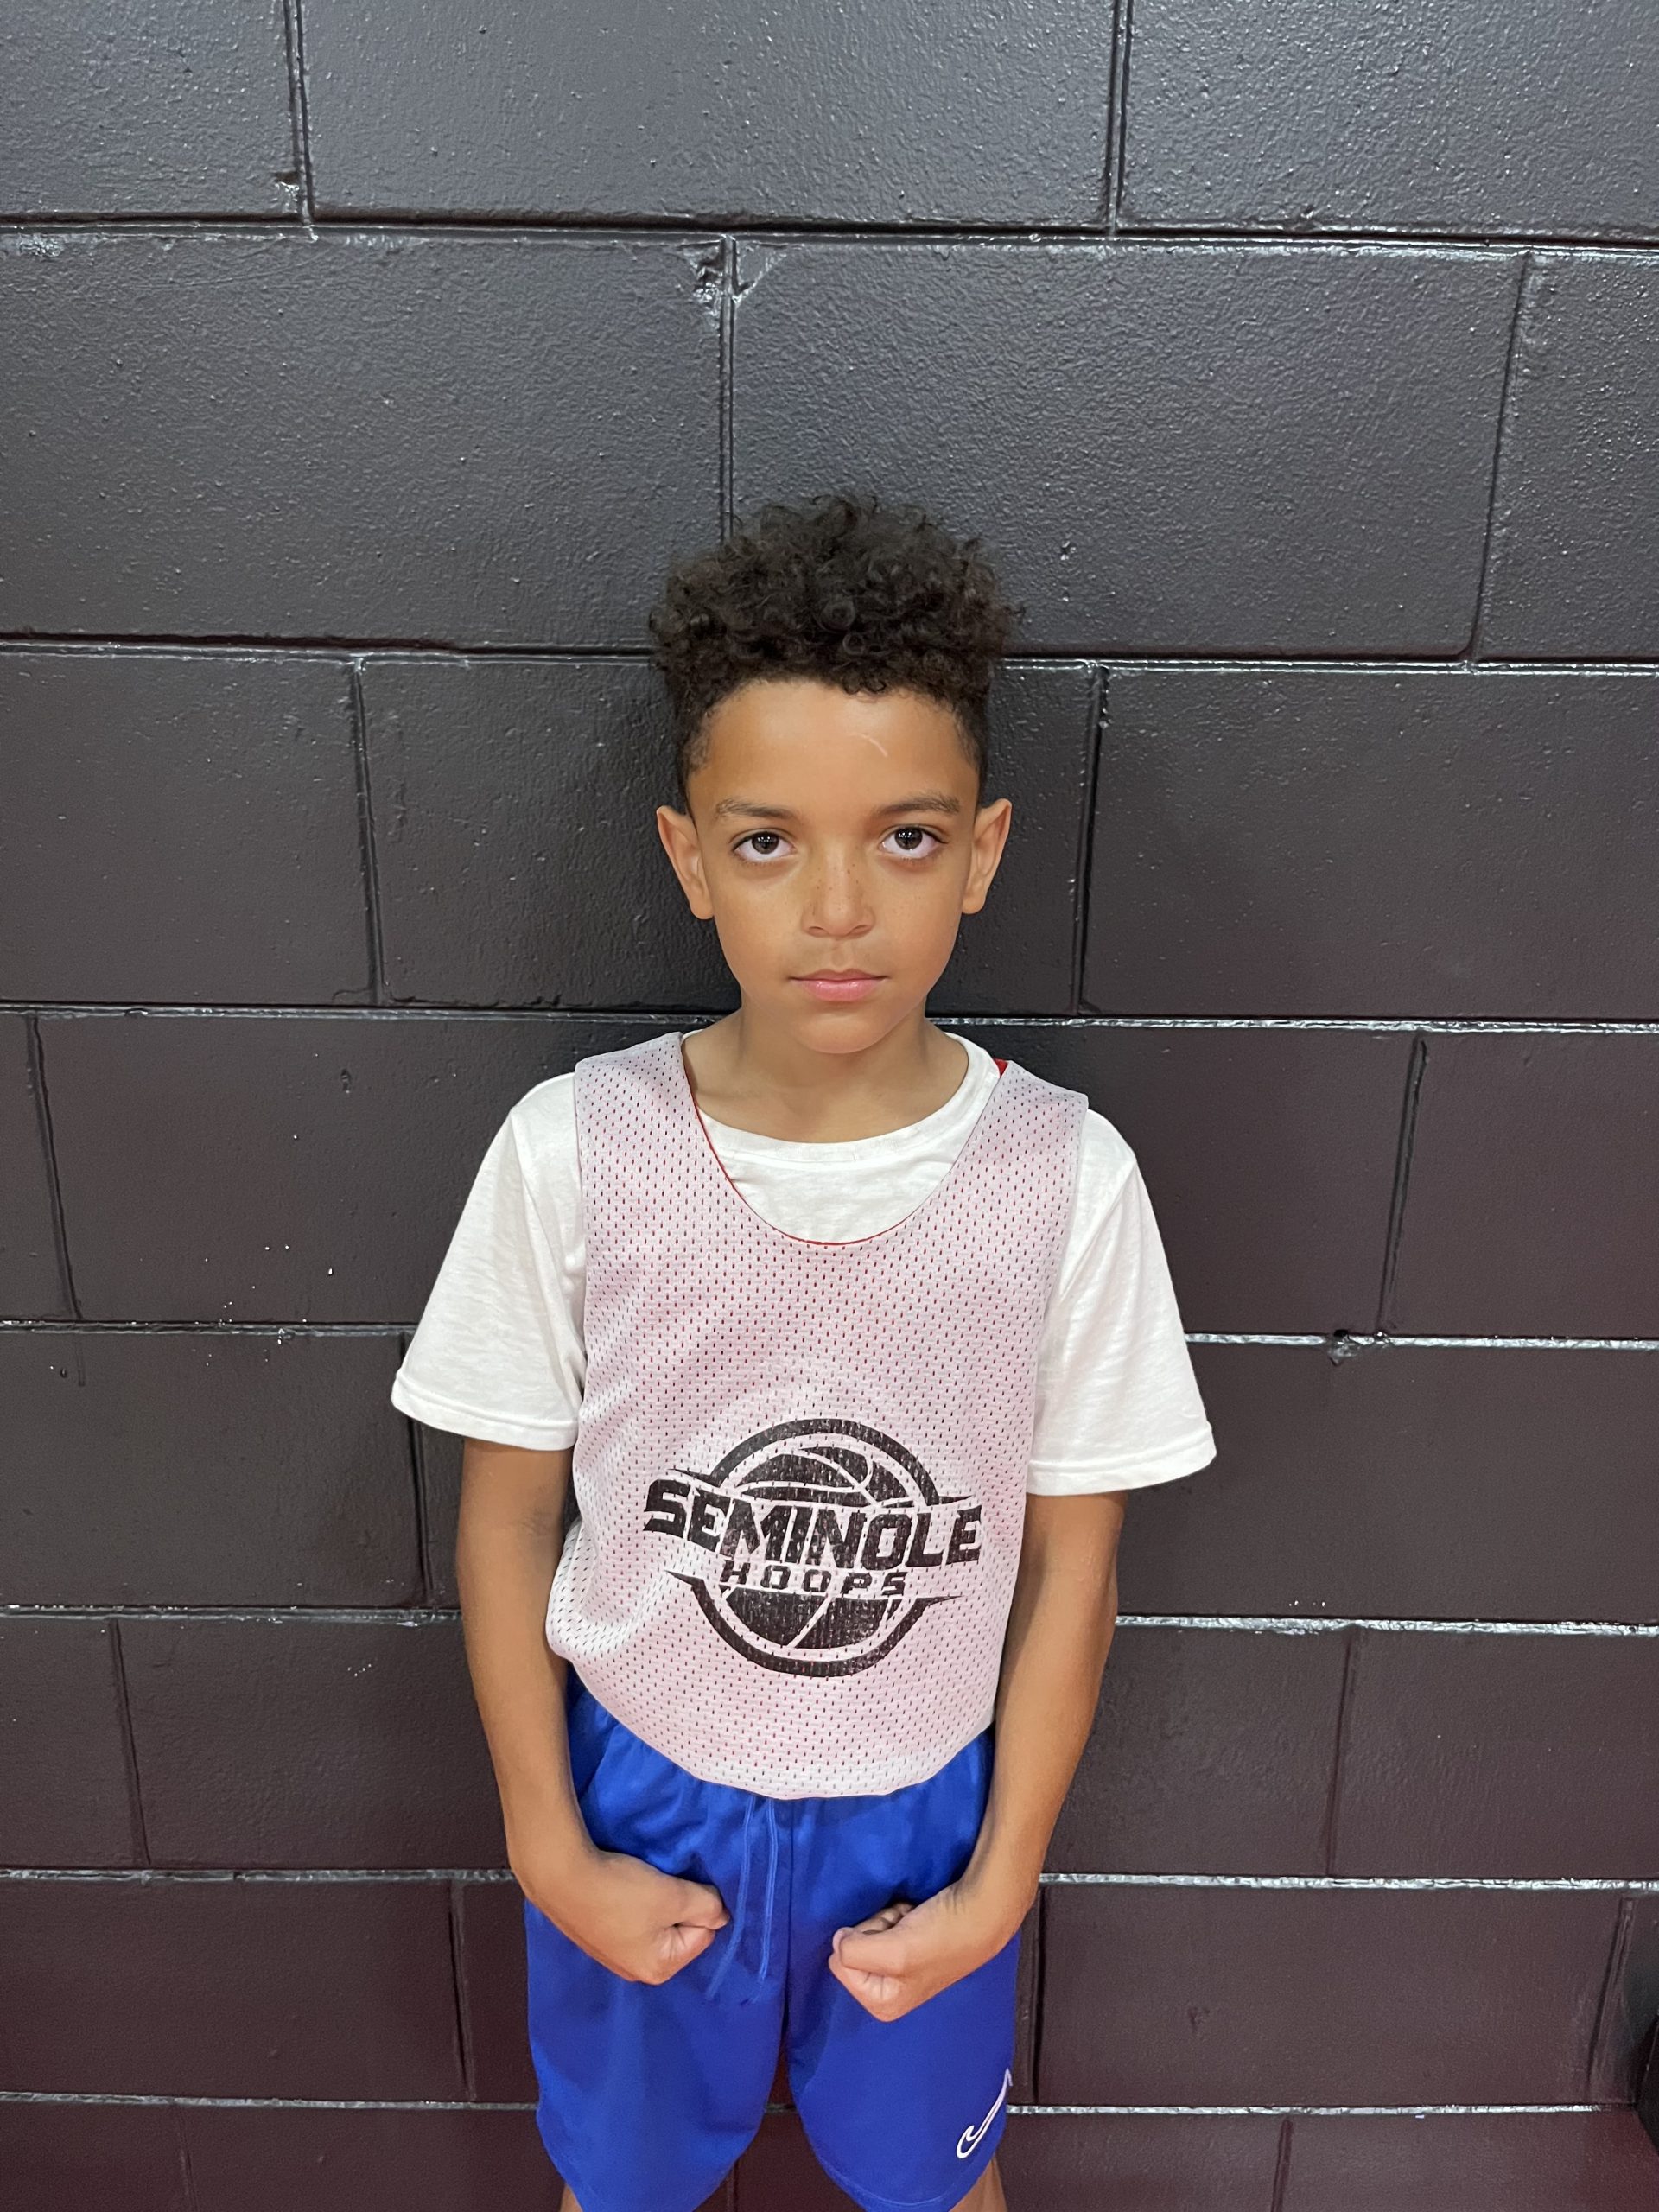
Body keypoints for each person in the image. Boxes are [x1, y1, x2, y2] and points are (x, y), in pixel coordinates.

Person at [391, 492, 1217, 2212]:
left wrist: (1003, 1876)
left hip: (920, 1809)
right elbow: (505, 1517)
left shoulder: (1069, 1177)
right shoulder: (573, 1149)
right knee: (618, 2187)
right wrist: (548, 1841)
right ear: (689, 856)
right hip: (644, 1791)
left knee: (943, 2188)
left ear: (982, 851)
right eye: (769, 842)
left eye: (905, 838)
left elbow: (1076, 1562)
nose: (839, 907)